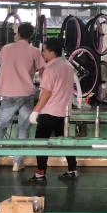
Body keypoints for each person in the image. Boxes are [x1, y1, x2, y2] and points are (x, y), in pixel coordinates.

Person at [0, 22, 45, 173]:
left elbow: (1, 67)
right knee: (23, 128)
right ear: (31, 35)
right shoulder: (35, 51)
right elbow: (43, 71)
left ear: (18, 33)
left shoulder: (6, 49)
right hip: (26, 94)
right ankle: (17, 162)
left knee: (0, 127)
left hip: (8, 93)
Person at [25, 37, 78, 184]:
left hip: (49, 112)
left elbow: (47, 93)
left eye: (45, 51)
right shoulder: (68, 68)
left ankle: (40, 173)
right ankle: (72, 169)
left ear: (52, 52)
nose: (43, 53)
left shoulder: (50, 69)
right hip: (64, 112)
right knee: (66, 143)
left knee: (41, 143)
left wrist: (35, 111)